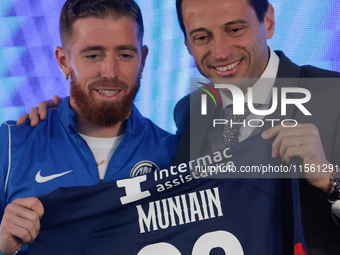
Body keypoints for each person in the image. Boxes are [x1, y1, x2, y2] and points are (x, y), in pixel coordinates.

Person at [19, 0, 340, 254]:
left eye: (235, 29)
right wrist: (65, 116)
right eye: (202, 36)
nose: (221, 51)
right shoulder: (191, 113)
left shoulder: (333, 95)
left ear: (267, 20)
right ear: (186, 43)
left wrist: (331, 182)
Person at [0, 0, 178, 254]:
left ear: (143, 59)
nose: (110, 71)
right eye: (93, 55)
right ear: (63, 61)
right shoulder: (10, 146)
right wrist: (2, 245)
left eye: (125, 54)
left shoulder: (174, 155)